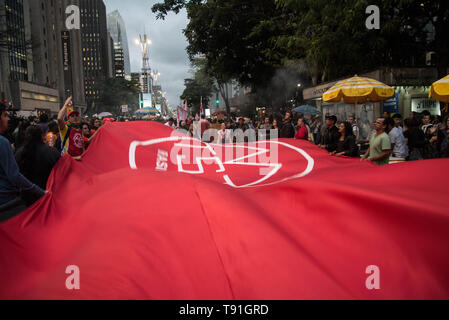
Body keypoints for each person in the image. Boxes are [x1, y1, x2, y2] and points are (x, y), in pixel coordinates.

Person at [0, 103, 45, 221]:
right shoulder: (2, 142)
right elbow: (14, 175)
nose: (8, 119)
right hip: (7, 203)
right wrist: (39, 191)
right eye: (5, 115)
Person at [15, 125, 60, 205]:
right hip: (49, 195)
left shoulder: (19, 154)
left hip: (28, 199)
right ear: (42, 136)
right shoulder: (52, 152)